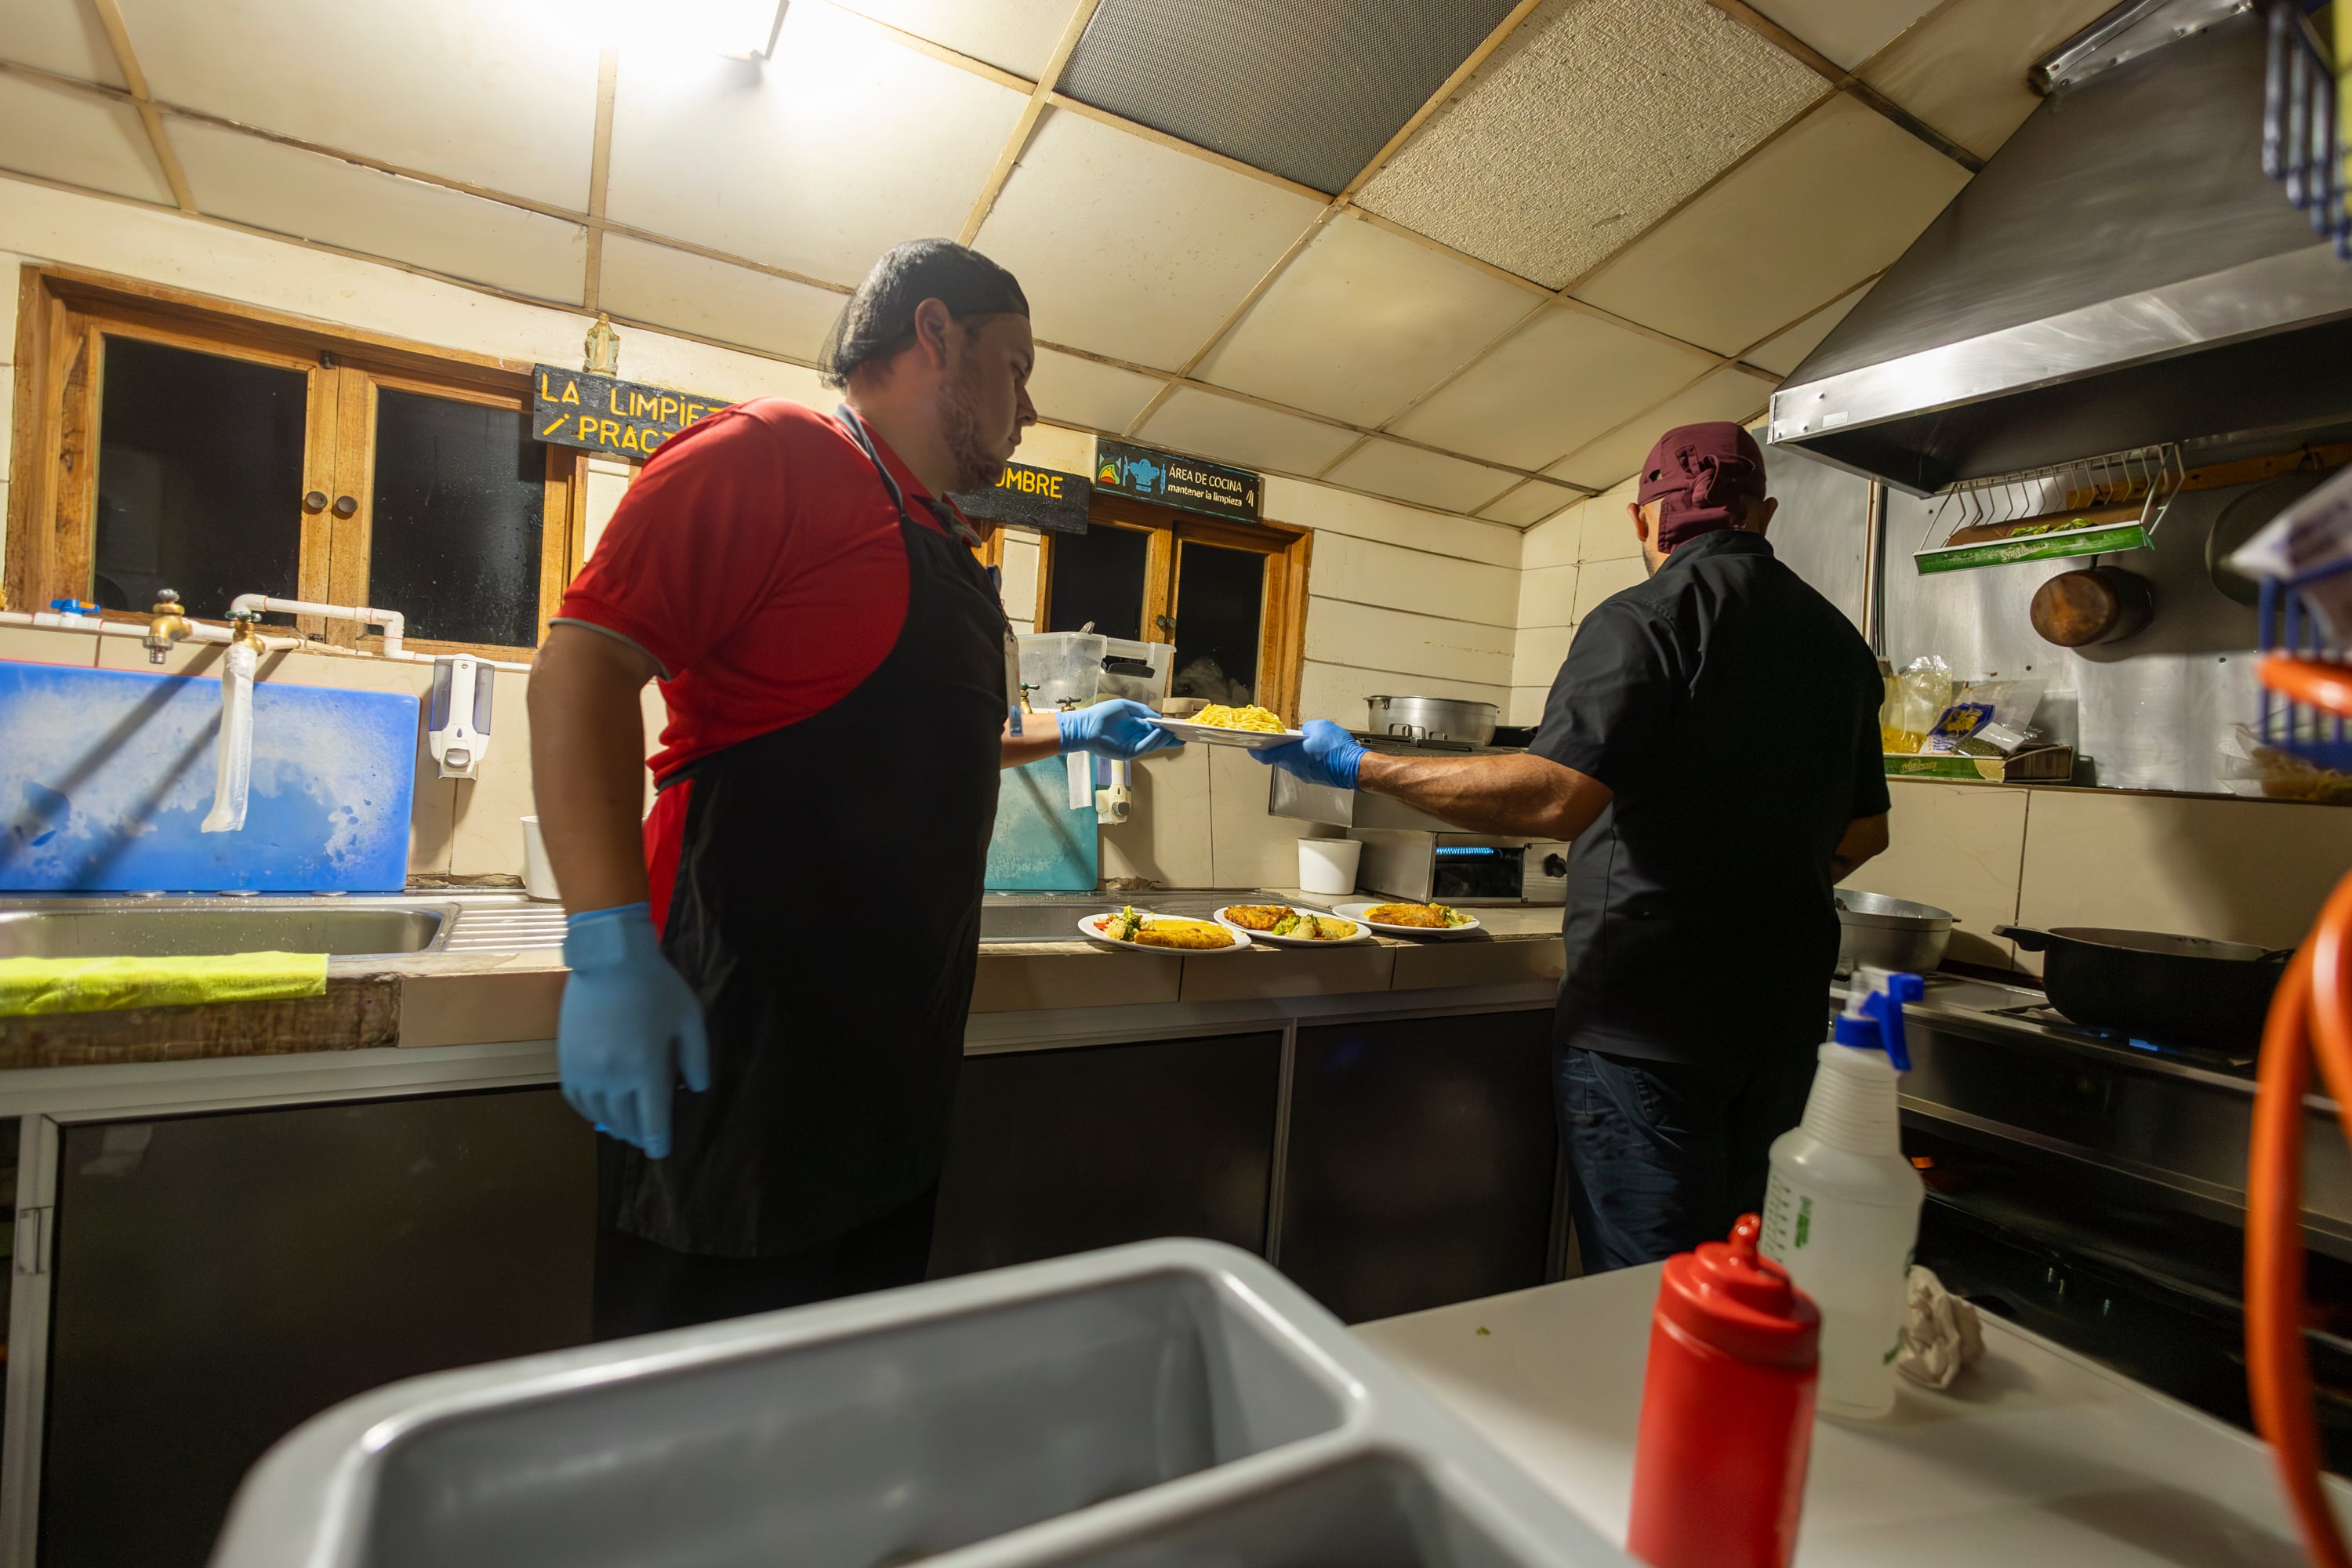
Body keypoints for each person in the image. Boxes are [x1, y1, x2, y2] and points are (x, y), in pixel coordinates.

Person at [528, 239, 1178, 1337]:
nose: (1026, 411)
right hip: (744, 1052)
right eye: (1014, 368)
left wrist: (1069, 731)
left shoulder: (940, 535)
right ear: (936, 337)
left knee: (842, 1402)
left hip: (891, 1071)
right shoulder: (770, 454)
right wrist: (607, 946)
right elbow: (581, 671)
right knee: (702, 1422)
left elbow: (914, 735)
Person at [1255, 422, 1889, 1271]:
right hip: (1779, 1037)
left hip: (1646, 1027)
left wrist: (1360, 765)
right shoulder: (1839, 645)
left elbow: (1554, 797)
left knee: (1648, 1295)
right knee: (1744, 1287)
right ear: (1762, 513)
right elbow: (1863, 832)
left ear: (1641, 520)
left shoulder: (1645, 617)